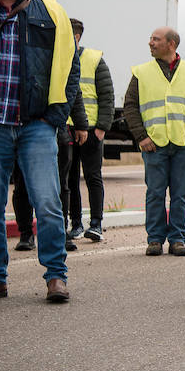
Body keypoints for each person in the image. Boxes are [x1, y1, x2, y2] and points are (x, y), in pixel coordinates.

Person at [0, 0, 81, 305]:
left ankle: (56, 277)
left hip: (35, 125)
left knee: (47, 204)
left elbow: (70, 66)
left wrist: (55, 116)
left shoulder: (51, 11)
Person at [124, 26, 185, 257]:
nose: (150, 43)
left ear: (171, 44)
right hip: (154, 144)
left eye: (156, 39)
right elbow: (130, 106)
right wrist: (141, 136)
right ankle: (154, 239)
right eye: (151, 38)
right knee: (155, 193)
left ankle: (177, 239)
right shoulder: (141, 72)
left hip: (183, 143)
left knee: (181, 194)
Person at [64, 18, 114, 243]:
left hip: (92, 130)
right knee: (70, 180)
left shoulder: (95, 60)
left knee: (93, 177)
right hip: (67, 130)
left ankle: (96, 224)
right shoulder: (60, 57)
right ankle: (76, 224)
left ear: (76, 37)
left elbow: (107, 96)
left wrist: (102, 128)